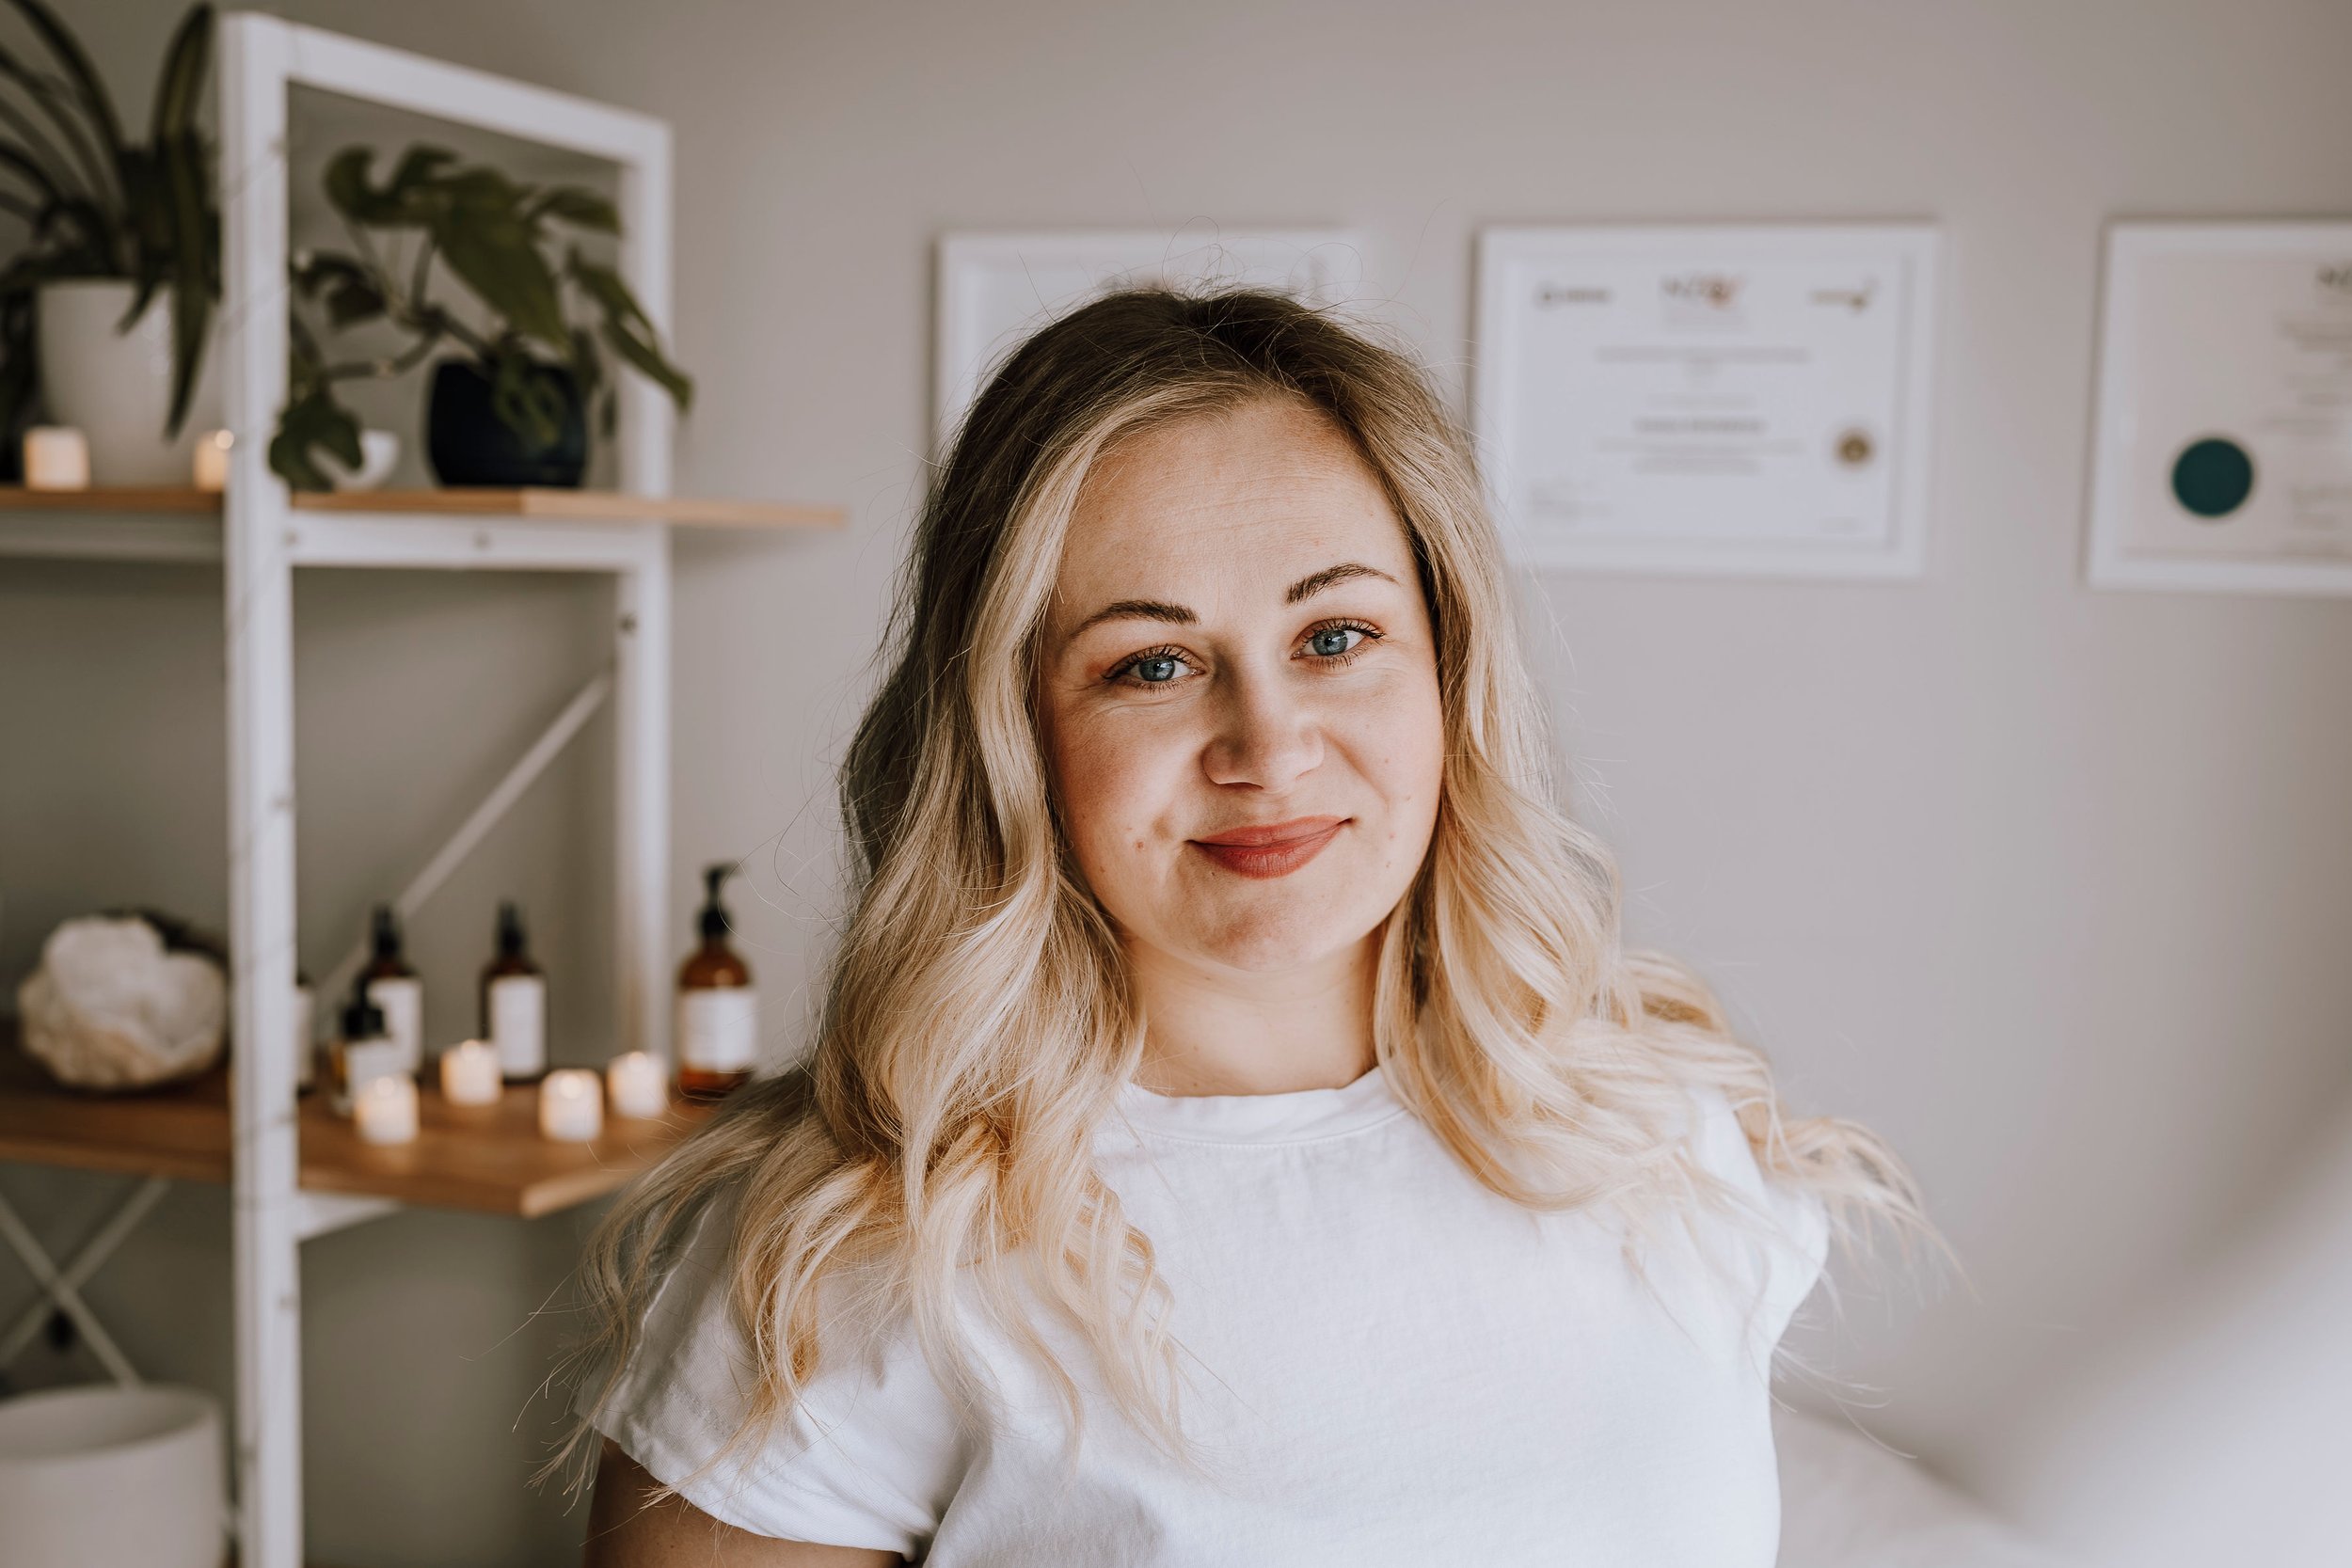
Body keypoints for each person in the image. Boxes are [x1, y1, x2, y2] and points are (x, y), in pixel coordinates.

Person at [552, 287, 1935, 1566]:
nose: (1267, 747)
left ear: (1448, 674)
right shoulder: (863, 1250)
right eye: (1151, 665)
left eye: (1335, 637)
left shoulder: (1664, 1133)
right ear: (1014, 731)